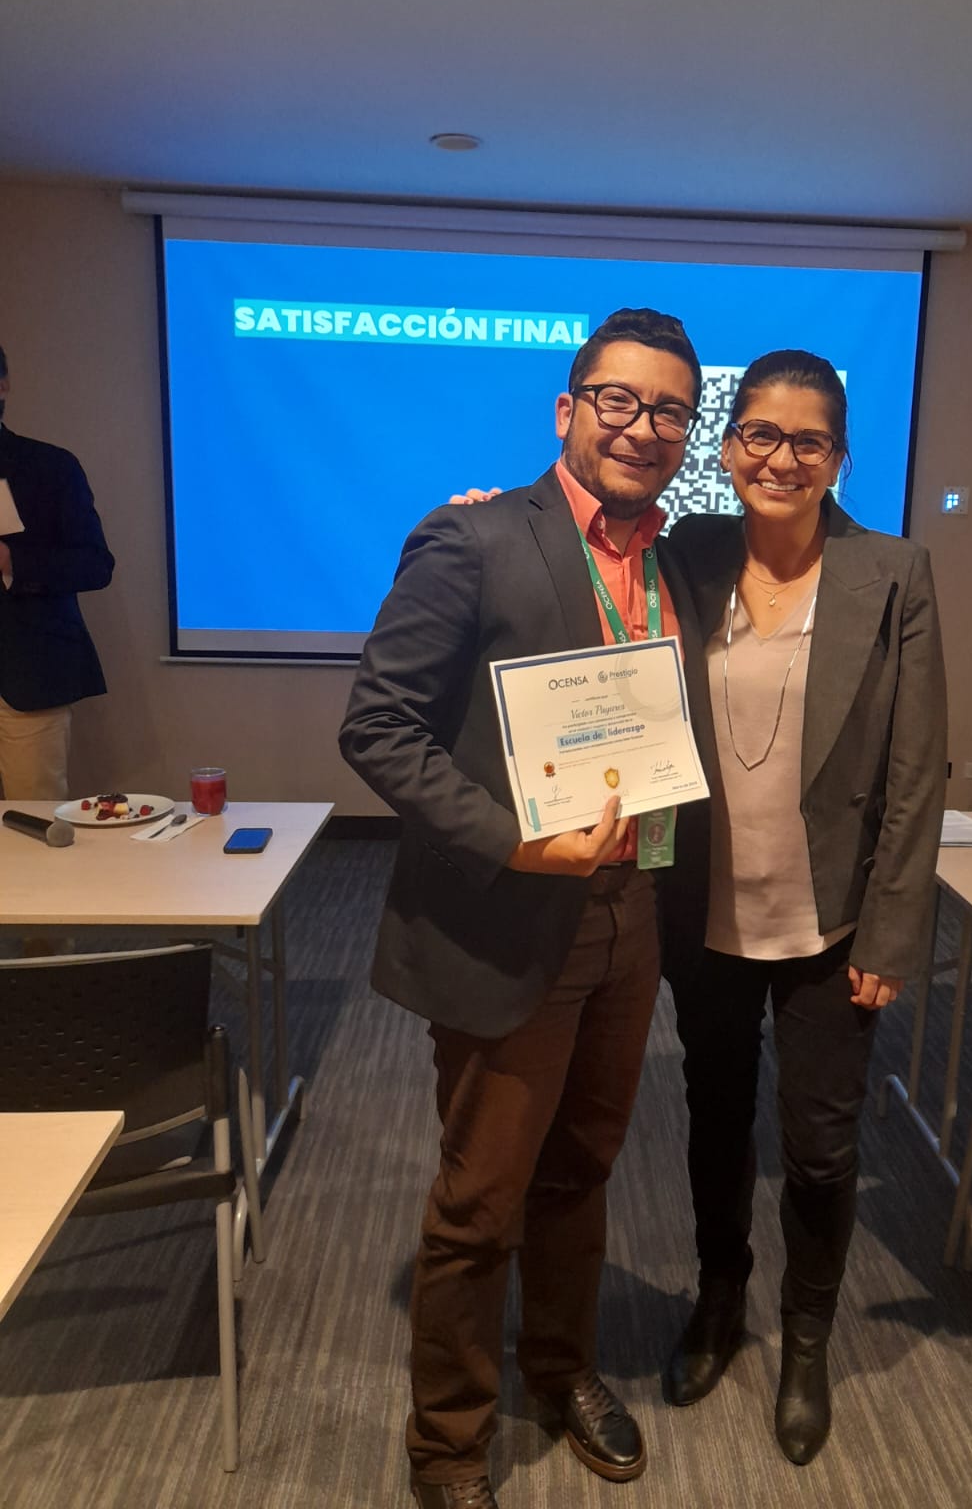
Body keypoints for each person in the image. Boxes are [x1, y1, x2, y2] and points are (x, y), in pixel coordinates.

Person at [339, 308, 717, 1509]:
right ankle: (447, 1445)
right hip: (508, 915)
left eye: (669, 410)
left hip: (632, 910)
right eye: (618, 399)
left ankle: (560, 1368)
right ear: (568, 410)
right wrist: (515, 839)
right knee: (481, 1194)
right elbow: (377, 727)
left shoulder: (680, 560)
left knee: (584, 1165)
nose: (642, 427)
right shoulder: (474, 537)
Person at [657, 349, 947, 1466]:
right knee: (716, 1117)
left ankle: (807, 1340)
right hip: (707, 909)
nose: (782, 458)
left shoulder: (893, 571)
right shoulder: (688, 551)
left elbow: (916, 772)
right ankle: (719, 1299)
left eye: (809, 441)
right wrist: (486, 516)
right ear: (730, 446)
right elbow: (577, 561)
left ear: (839, 458)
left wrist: (894, 932)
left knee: (822, 1148)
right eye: (762, 434)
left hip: (832, 922)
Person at [0, 343, 114, 800]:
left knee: (32, 817)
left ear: (3, 385)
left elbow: (95, 564)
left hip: (25, 675)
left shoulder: (48, 467)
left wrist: (11, 562)